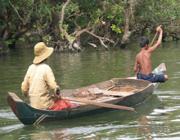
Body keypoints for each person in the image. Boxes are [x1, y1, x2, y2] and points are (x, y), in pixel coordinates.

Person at [21, 42, 74, 110]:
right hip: (45, 105)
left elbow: (24, 88)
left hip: (33, 105)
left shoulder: (30, 67)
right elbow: (54, 87)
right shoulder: (46, 68)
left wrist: (28, 96)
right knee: (65, 104)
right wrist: (57, 95)